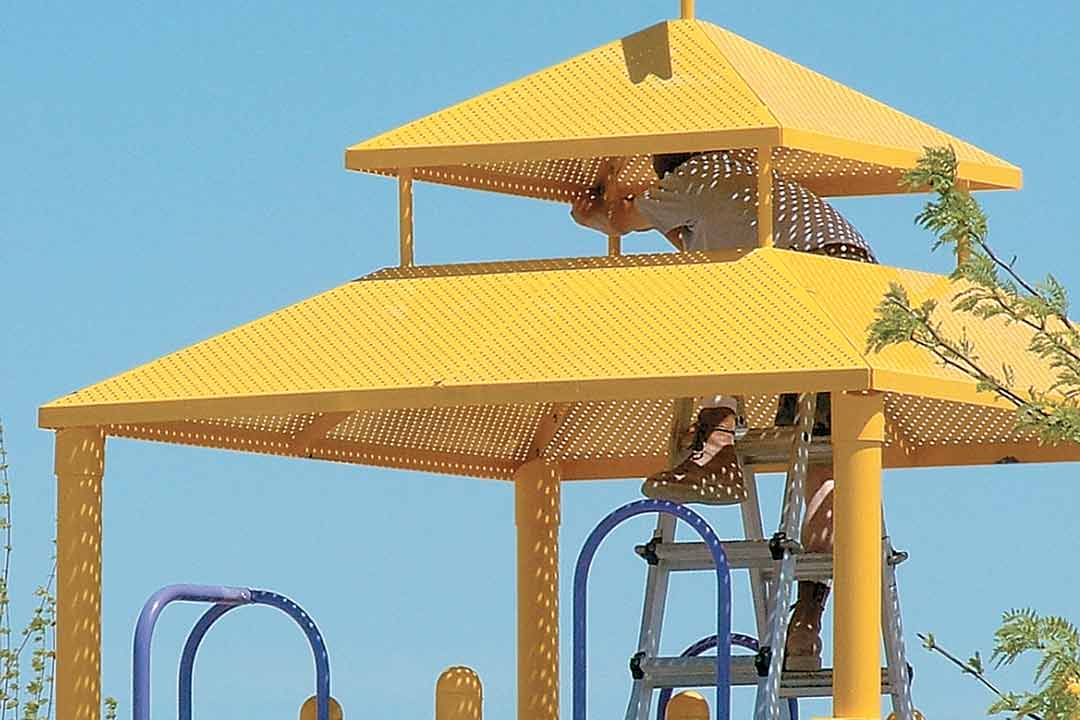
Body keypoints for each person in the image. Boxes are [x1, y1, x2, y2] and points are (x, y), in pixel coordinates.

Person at [571, 150, 877, 671]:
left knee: (716, 319)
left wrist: (590, 207)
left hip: (805, 284)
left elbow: (618, 218)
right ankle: (806, 619)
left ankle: (715, 445)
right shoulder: (750, 183)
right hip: (850, 285)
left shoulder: (691, 179)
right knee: (827, 458)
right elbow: (690, 237)